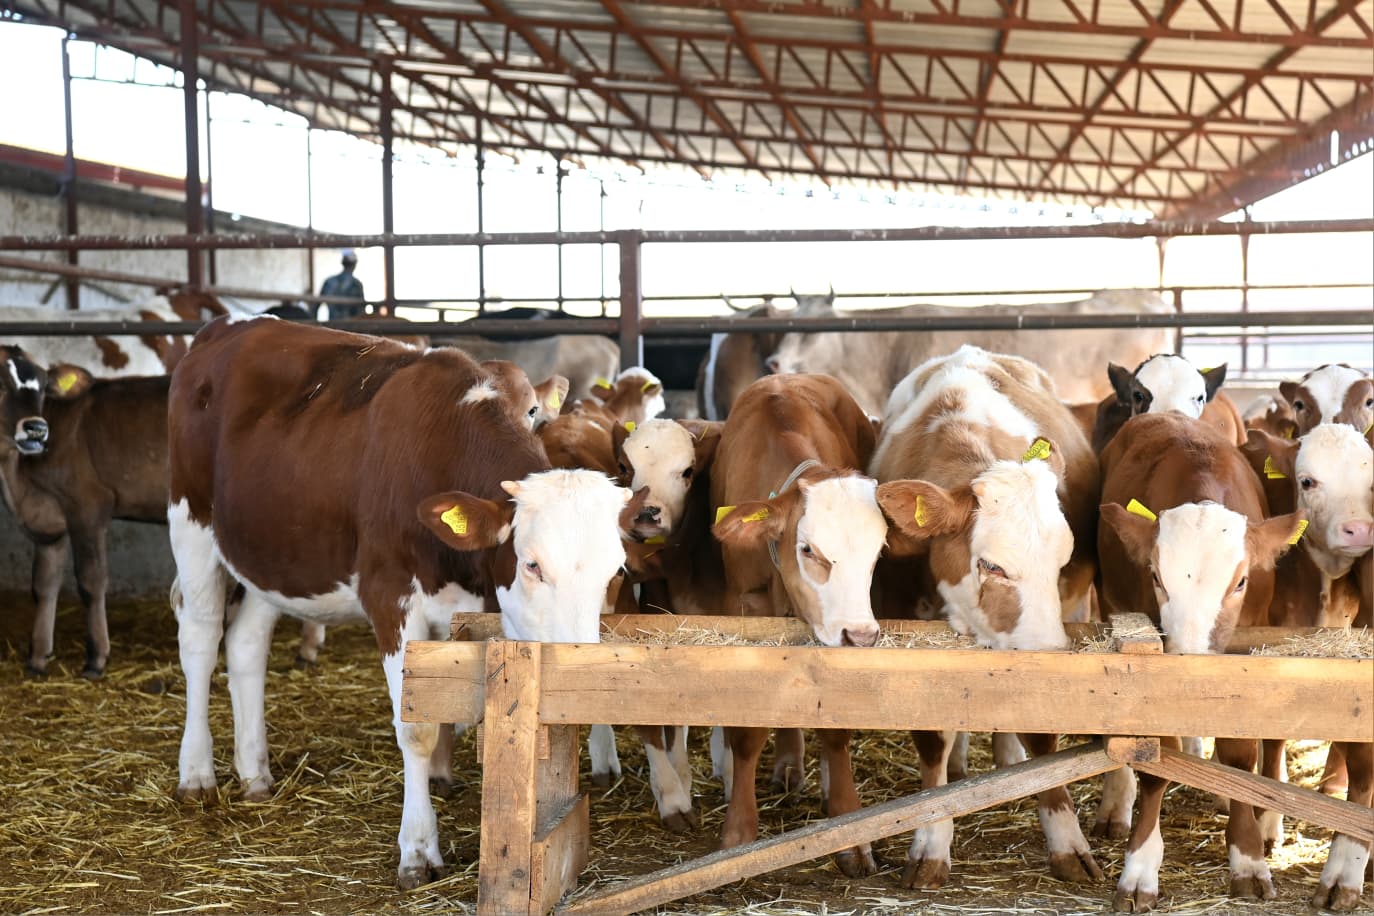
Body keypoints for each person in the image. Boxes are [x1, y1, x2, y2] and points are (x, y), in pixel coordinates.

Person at [320, 249, 365, 319]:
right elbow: (362, 310)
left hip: (331, 325)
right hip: (352, 327)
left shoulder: (329, 282)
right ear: (355, 265)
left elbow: (316, 307)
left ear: (342, 263)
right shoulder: (357, 284)